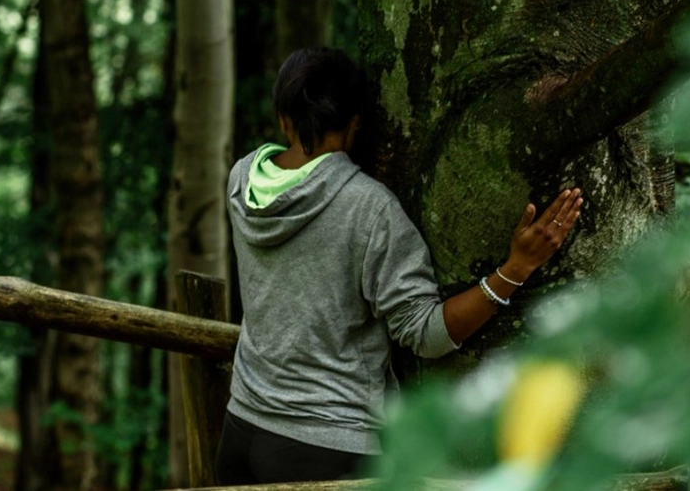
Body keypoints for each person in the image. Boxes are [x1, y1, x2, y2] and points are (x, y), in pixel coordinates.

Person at [215, 47, 583, 485]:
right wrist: (516, 268)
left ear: (283, 119)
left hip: (240, 430)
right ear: (356, 123)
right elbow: (426, 334)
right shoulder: (369, 209)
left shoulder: (242, 179)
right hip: (327, 448)